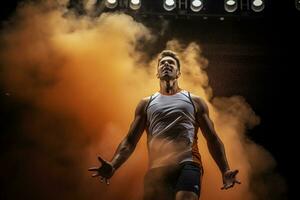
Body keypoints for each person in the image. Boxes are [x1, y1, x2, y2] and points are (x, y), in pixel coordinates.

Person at [88, 50, 241, 200]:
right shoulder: (146, 103)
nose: (166, 64)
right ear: (157, 73)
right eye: (162, 63)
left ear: (178, 73)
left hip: (188, 164)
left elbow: (212, 138)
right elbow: (130, 141)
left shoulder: (195, 101)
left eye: (171, 63)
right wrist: (114, 165)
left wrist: (225, 170)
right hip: (157, 169)